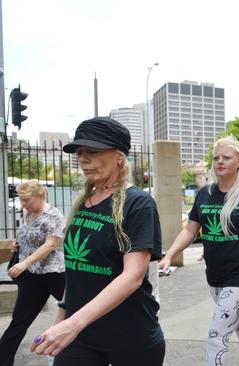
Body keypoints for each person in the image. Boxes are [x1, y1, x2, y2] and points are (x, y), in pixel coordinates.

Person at [31, 117, 165, 365]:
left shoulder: (138, 203)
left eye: (92, 151)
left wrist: (72, 324)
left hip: (130, 338)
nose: (83, 159)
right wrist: (62, 317)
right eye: (80, 152)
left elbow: (133, 276)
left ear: (119, 156)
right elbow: (76, 269)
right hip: (81, 337)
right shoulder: (83, 203)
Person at [159, 134, 239, 366]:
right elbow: (190, 231)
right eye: (216, 157)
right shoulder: (204, 194)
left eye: (226, 157)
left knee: (217, 334)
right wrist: (169, 255)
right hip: (215, 278)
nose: (220, 161)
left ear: (238, 161)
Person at [0, 181, 66, 366]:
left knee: (76, 311)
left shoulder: (54, 216)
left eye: (26, 200)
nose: (23, 204)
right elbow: (29, 236)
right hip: (32, 276)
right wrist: (17, 244)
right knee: (19, 321)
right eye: (21, 200)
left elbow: (51, 244)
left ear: (41, 196)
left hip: (54, 273)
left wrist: (24, 263)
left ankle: (102, 351)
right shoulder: (29, 212)